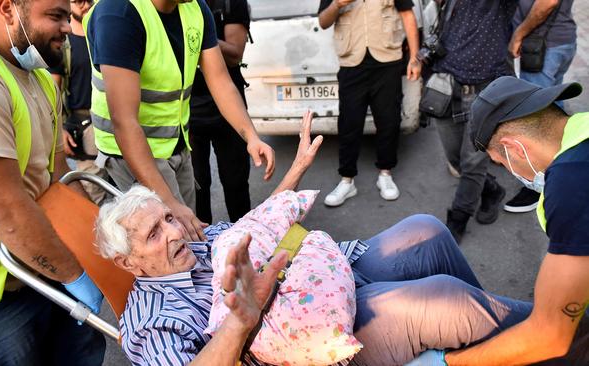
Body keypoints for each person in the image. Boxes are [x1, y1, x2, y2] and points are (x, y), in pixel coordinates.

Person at [95, 112, 587, 365]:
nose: (174, 232)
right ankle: (560, 343)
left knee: (426, 231)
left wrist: (297, 172)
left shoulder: (200, 243)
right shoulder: (148, 324)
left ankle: (513, 343)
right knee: (443, 301)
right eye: (153, 234)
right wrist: (239, 321)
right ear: (129, 263)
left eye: (168, 218)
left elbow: (267, 226)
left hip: (325, 278)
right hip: (306, 336)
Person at [0, 0, 105, 364]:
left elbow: (57, 175)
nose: (67, 26)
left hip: (38, 271)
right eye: (55, 15)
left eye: (67, 16)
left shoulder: (40, 77)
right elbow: (7, 210)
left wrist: (99, 247)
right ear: (8, 9)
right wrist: (76, 276)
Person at [410, 76, 589, 364]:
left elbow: (550, 335)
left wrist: (450, 362)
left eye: (501, 162)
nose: (509, 170)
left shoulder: (572, 185)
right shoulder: (582, 130)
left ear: (515, 148)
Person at [84, 0, 275, 243]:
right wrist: (169, 203)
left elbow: (219, 80)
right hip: (131, 153)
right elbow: (124, 121)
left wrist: (250, 136)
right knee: (171, 243)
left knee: (190, 236)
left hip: (176, 144)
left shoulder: (195, 8)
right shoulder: (118, 11)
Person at [425, 0, 515, 242]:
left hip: (486, 88)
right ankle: (492, 190)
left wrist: (523, 34)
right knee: (457, 159)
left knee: (473, 161)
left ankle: (458, 220)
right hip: (447, 84)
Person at [318, 0, 421, 205]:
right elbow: (323, 21)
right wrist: (337, 4)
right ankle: (347, 181)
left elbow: (408, 16)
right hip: (351, 63)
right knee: (349, 124)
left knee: (389, 120)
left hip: (387, 61)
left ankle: (385, 174)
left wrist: (414, 58)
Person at [503, 0, 577, 214]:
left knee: (537, 119)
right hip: (557, 42)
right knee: (553, 110)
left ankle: (541, 185)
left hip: (545, 46)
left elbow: (547, 2)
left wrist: (518, 34)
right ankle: (560, 167)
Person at [189, 0, 251, 224]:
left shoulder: (229, 3)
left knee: (236, 185)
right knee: (196, 188)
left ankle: (245, 247)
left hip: (228, 110)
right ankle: (201, 252)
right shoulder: (174, 6)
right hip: (187, 110)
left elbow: (235, 55)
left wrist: (196, 35)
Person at [49, 0, 108, 204]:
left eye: (89, 0)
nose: (85, 5)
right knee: (94, 193)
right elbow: (52, 91)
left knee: (126, 194)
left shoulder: (105, 34)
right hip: (85, 127)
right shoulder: (64, 43)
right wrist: (59, 131)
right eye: (78, 1)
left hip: (114, 123)